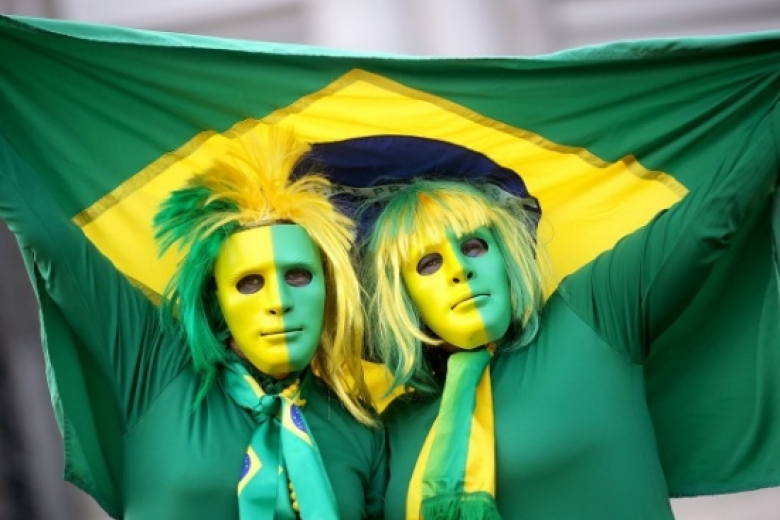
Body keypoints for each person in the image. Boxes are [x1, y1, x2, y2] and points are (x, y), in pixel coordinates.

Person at [356, 113, 778, 519]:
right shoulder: (393, 428)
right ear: (401, 297)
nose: (459, 270)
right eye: (428, 263)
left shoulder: (590, 314)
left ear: (507, 258)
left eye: (474, 247)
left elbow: (714, 211)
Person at [0, 125, 386, 520]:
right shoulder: (155, 364)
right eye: (250, 282)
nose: (279, 303)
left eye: (298, 276)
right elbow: (46, 234)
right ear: (216, 297)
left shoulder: (361, 431)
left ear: (329, 288)